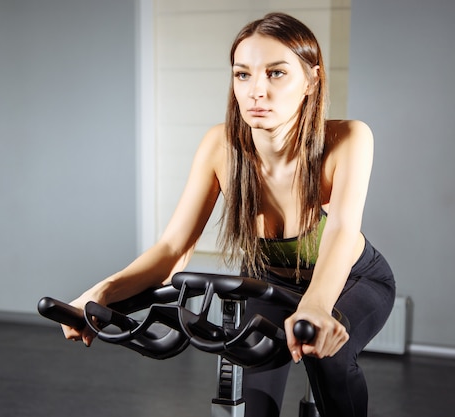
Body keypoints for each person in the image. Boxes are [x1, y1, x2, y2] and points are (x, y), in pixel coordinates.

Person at [62, 12, 395, 417]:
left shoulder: (349, 139)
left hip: (353, 280)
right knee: (250, 396)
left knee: (325, 357)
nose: (257, 90)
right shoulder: (220, 146)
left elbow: (341, 230)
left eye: (276, 73)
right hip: (268, 282)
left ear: (312, 80)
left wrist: (316, 306)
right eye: (243, 74)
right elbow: (172, 250)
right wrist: (100, 293)